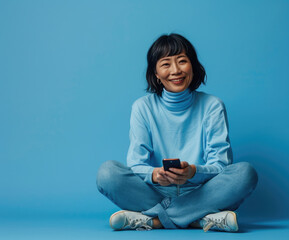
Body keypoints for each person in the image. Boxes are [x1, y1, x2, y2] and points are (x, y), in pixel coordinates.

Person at [96, 33, 258, 232]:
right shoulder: (142, 107)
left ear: (193, 65)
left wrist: (193, 172)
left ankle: (154, 220)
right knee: (107, 173)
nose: (176, 70)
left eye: (182, 61)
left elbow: (221, 165)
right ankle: (199, 219)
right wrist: (155, 175)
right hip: (154, 190)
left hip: (203, 190)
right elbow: (136, 164)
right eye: (165, 64)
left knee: (245, 173)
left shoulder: (212, 105)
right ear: (155, 73)